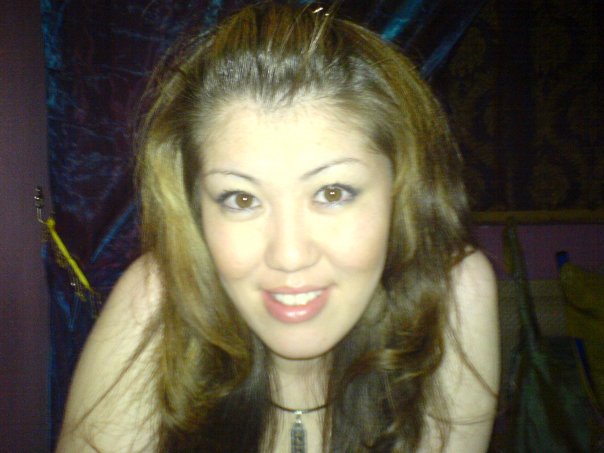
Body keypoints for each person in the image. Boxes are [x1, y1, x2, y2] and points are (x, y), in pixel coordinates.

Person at [56, 2, 499, 452]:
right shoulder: (156, 304)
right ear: (196, 211)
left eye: (332, 193)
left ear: (400, 190)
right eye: (242, 199)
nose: (289, 256)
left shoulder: (452, 296)